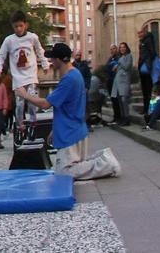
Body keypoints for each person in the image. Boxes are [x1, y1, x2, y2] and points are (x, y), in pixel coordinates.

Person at [16, 43, 120, 180]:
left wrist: (25, 95)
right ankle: (102, 158)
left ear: (59, 59)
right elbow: (67, 107)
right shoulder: (75, 74)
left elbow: (46, 104)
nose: (51, 61)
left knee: (64, 172)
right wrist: (55, 130)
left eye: (52, 58)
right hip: (73, 130)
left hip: (70, 133)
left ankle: (106, 162)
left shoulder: (69, 80)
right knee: (73, 167)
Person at [0, 10, 47, 136]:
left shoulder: (32, 37)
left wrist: (44, 64)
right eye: (16, 26)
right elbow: (1, 56)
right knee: (20, 103)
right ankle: (20, 125)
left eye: (20, 26)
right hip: (18, 77)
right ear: (13, 27)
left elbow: (40, 51)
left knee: (33, 100)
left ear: (25, 25)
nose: (18, 29)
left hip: (31, 74)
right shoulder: (9, 40)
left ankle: (33, 122)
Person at [111, 42, 133, 126]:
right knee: (120, 101)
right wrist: (116, 67)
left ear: (126, 48)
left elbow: (127, 67)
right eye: (120, 47)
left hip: (125, 81)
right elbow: (120, 69)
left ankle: (127, 118)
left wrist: (119, 62)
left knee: (124, 100)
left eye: (123, 47)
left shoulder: (129, 56)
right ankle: (123, 118)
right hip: (118, 82)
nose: (122, 49)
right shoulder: (121, 57)